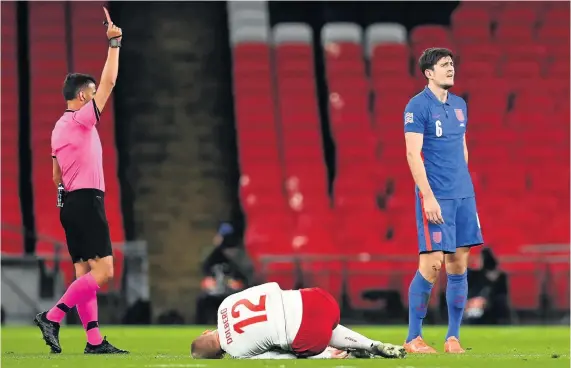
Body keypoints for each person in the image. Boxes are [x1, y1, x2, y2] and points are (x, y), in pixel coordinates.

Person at [34, 8, 127, 354]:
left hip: (70, 203)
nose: (94, 96)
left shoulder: (58, 128)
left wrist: (68, 194)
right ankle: (53, 316)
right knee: (103, 273)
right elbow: (110, 83)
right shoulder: (81, 120)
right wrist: (114, 43)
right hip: (87, 200)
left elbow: (55, 174)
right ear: (83, 96)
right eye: (91, 93)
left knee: (83, 274)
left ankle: (93, 341)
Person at [402, 48, 483, 354]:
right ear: (428, 72)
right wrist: (428, 196)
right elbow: (413, 154)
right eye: (444, 65)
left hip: (464, 195)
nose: (451, 68)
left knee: (459, 265)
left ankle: (453, 338)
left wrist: (466, 187)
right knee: (432, 264)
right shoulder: (417, 106)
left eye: (452, 64)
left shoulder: (460, 105)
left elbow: (462, 148)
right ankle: (413, 338)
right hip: (436, 196)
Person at [190, 282, 406, 360]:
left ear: (219, 356)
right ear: (205, 332)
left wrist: (322, 356)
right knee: (310, 318)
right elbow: (271, 287)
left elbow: (277, 358)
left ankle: (332, 352)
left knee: (292, 340)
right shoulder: (225, 304)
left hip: (312, 337)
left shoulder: (236, 352)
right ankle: (369, 344)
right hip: (318, 299)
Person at [195, 222, 254, 324]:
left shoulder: (239, 256)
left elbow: (246, 279)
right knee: (202, 301)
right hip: (216, 292)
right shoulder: (214, 255)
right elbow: (206, 272)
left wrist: (238, 283)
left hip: (234, 295)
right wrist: (209, 281)